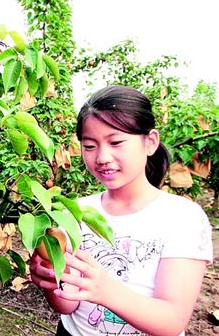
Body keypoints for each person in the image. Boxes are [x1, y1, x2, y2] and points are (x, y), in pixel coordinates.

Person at [30, 85, 213, 336]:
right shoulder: (76, 211)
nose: (102, 157)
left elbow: (172, 322)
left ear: (150, 142)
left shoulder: (183, 218)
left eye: (116, 142)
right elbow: (68, 304)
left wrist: (104, 290)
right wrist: (52, 281)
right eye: (90, 146)